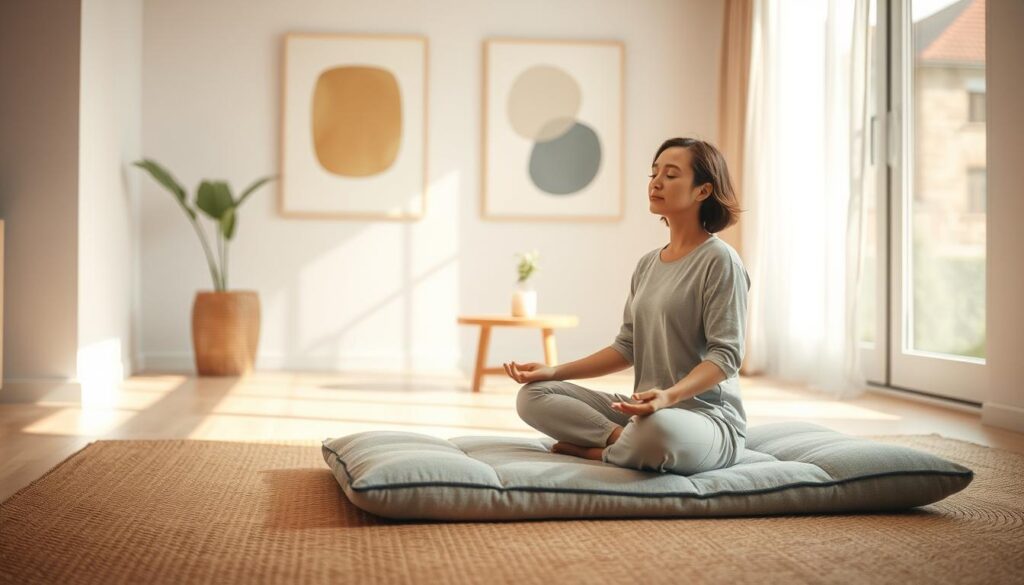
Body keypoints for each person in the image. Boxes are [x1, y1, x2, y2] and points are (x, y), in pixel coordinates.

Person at [503, 137, 750, 475]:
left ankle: (601, 451)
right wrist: (554, 370)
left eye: (671, 174)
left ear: (702, 191)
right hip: (644, 411)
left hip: (705, 421)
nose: (656, 182)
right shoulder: (648, 264)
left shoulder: (721, 261)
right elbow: (626, 346)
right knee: (533, 396)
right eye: (653, 174)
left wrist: (668, 397)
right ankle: (620, 440)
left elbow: (726, 357)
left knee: (658, 431)